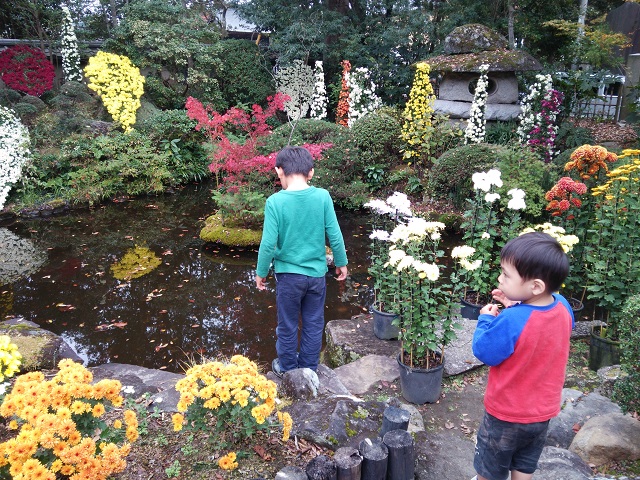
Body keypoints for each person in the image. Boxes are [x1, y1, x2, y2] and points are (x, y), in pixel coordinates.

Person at [471, 232, 574, 480]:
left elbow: (485, 351)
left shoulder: (512, 320)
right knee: (524, 464)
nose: (500, 278)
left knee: (490, 469)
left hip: (506, 414)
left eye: (506, 275)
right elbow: (538, 330)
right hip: (542, 412)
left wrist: (485, 320)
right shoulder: (563, 306)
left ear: (535, 285)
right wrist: (515, 304)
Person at [255, 146, 348, 377]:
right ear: (311, 173)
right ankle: (309, 368)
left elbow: (268, 244)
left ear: (279, 171)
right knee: (314, 323)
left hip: (288, 277)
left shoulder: (275, 202)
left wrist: (261, 272)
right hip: (316, 275)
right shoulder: (322, 196)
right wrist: (341, 261)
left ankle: (287, 369)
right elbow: (334, 234)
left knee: (287, 324)